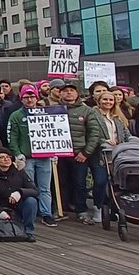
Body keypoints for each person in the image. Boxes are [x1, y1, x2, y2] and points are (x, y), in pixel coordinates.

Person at [6, 85, 55, 228]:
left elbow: (55, 132)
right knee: (29, 187)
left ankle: (46, 214)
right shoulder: (16, 116)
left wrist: (56, 151)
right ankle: (30, 212)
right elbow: (12, 137)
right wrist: (17, 153)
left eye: (32, 96)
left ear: (36, 98)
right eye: (26, 97)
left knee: (45, 187)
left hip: (45, 156)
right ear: (21, 99)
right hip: (26, 158)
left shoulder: (46, 113)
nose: (29, 100)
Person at [81, 90, 130, 224]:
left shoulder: (117, 117)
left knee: (115, 184)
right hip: (99, 154)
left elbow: (126, 133)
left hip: (117, 154)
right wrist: (104, 141)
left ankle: (115, 209)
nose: (108, 102)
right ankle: (98, 207)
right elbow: (89, 133)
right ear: (99, 101)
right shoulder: (93, 114)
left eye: (110, 100)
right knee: (100, 181)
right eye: (105, 99)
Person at [59, 81, 97, 220]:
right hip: (59, 154)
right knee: (62, 182)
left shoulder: (87, 110)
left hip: (79, 153)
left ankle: (81, 209)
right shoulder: (53, 109)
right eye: (65, 90)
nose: (69, 93)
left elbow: (94, 133)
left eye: (72, 90)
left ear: (77, 94)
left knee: (80, 183)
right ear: (60, 94)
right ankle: (63, 208)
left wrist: (86, 152)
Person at [0, 147, 39, 241]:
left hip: (16, 206)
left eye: (8, 156)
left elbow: (35, 190)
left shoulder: (19, 172)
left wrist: (20, 192)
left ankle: (29, 232)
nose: (6, 159)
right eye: (2, 157)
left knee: (31, 201)